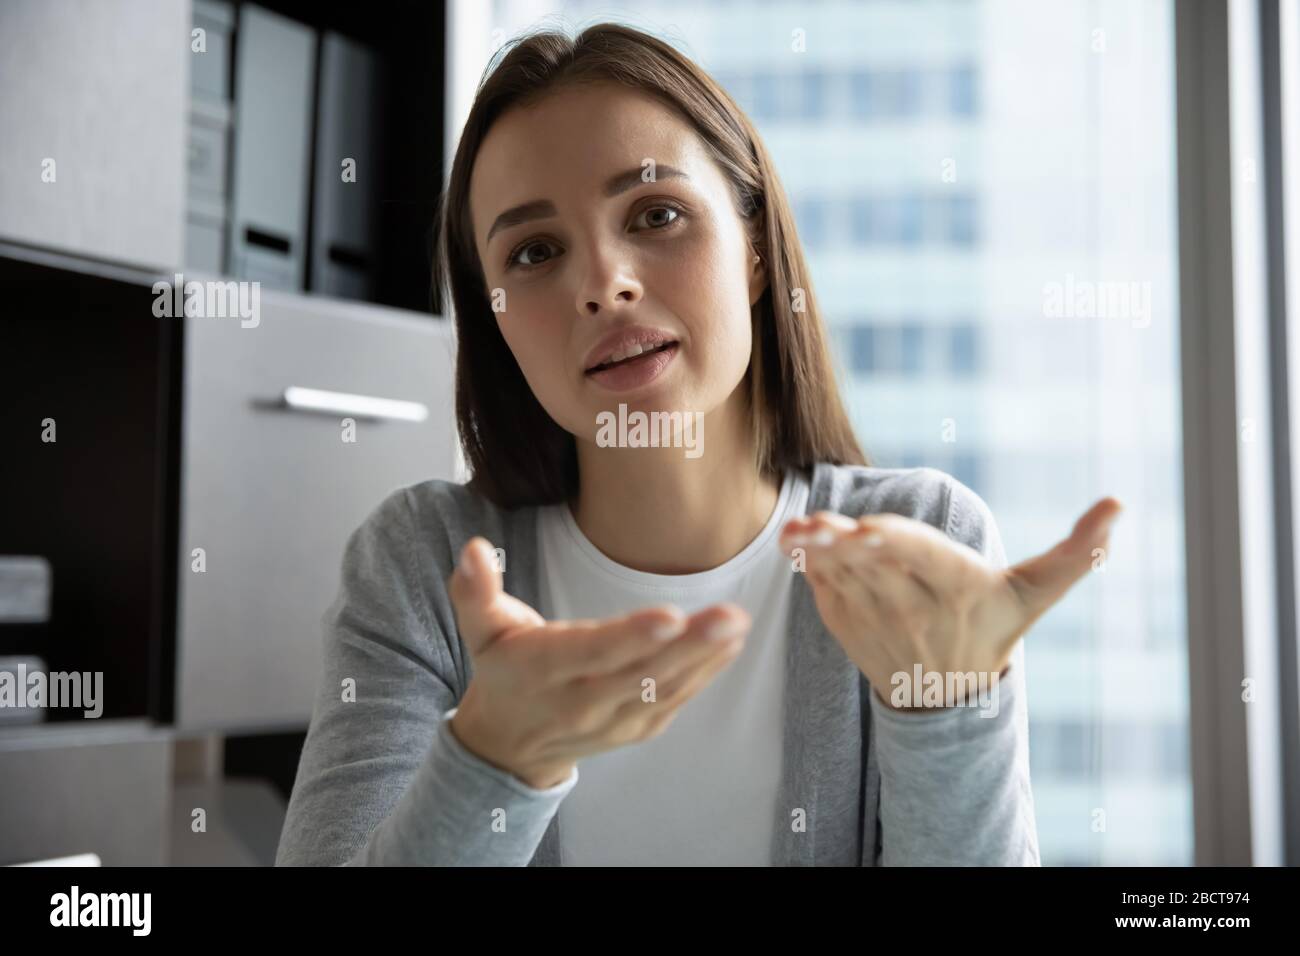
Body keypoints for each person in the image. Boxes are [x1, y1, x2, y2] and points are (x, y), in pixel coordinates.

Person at [275, 22, 1121, 867]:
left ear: (755, 249)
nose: (605, 284)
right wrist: (495, 760)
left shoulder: (923, 539)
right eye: (535, 251)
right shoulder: (421, 566)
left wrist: (948, 715)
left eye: (656, 213)